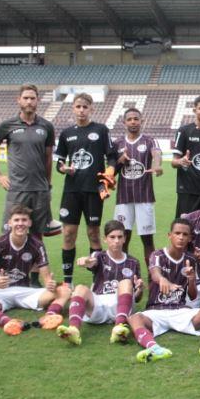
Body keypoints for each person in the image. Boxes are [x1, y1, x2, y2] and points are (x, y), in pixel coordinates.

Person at [129, 218, 200, 363]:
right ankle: (153, 348)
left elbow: (193, 296)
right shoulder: (158, 255)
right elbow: (155, 273)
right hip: (156, 310)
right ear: (169, 235)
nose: (181, 237)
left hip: (180, 310)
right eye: (177, 233)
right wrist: (162, 279)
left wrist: (192, 279)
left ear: (190, 238)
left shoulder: (191, 259)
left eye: (185, 234)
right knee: (134, 318)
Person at [0, 205, 70, 335]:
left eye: (24, 220)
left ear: (30, 223)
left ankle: (50, 316)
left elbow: (47, 280)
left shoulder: (37, 244)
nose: (20, 224)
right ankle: (6, 322)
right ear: (9, 223)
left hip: (26, 292)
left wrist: (50, 284)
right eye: (16, 220)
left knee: (65, 290)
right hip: (0, 293)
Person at [55, 93, 118, 285]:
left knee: (93, 233)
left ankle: (96, 280)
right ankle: (68, 282)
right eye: (78, 106)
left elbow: (113, 157)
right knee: (68, 233)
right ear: (73, 108)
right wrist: (63, 168)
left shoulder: (101, 130)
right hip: (71, 190)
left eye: (85, 107)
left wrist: (110, 171)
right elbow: (59, 162)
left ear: (92, 109)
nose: (81, 110)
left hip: (95, 189)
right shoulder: (66, 133)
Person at [0, 84, 57, 240]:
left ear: (38, 100)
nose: (29, 102)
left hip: (40, 190)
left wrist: (48, 186)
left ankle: (36, 265)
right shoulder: (7, 125)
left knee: (37, 236)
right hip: (17, 189)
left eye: (32, 98)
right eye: (26, 98)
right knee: (11, 234)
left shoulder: (47, 126)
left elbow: (48, 158)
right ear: (18, 100)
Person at [56, 220, 143, 346]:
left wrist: (139, 290)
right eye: (112, 237)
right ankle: (73, 330)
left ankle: (119, 328)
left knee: (125, 283)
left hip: (119, 306)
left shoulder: (133, 262)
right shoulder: (99, 256)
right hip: (98, 305)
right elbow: (92, 262)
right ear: (105, 239)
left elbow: (137, 298)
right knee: (80, 288)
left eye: (120, 237)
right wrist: (86, 261)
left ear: (125, 238)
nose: (116, 241)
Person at [113, 108, 162, 263]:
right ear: (124, 122)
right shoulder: (117, 143)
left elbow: (156, 154)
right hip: (123, 199)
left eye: (136, 119)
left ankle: (152, 277)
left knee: (147, 240)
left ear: (142, 121)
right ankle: (123, 275)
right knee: (122, 239)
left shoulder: (149, 140)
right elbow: (110, 170)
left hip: (144, 197)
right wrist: (120, 161)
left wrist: (157, 165)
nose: (133, 122)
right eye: (130, 119)